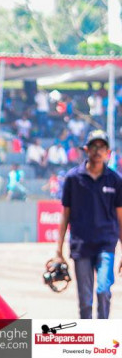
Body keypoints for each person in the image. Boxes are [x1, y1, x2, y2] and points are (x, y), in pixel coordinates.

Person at [52, 130, 122, 319]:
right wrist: (58, 251)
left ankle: (102, 335)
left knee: (103, 290)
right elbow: (65, 215)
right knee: (85, 300)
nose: (97, 151)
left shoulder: (115, 180)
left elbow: (120, 217)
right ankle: (88, 338)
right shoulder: (73, 178)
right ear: (86, 149)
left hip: (106, 244)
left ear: (108, 151)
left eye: (102, 147)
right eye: (93, 146)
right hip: (81, 245)